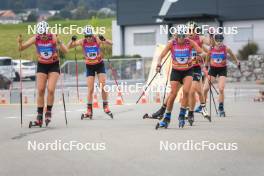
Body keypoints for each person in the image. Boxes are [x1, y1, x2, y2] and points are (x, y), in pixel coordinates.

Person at [17, 21, 68, 127]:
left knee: (51, 89)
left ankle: (48, 111)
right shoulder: (36, 38)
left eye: (44, 33)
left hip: (53, 65)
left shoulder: (53, 37)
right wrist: (20, 42)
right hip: (42, 65)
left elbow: (66, 51)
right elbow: (21, 48)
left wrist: (60, 41)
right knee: (40, 90)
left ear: (47, 31)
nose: (43, 36)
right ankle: (39, 116)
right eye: (41, 34)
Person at [156, 24, 206, 129]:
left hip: (188, 71)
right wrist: (158, 64)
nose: (182, 38)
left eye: (184, 36)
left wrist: (196, 56)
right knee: (173, 94)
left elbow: (203, 53)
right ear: (176, 35)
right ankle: (166, 118)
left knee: (186, 92)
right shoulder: (171, 44)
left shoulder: (190, 42)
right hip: (176, 71)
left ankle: (182, 114)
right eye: (180, 36)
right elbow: (161, 56)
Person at [67, 25, 113, 119]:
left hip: (99, 65)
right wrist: (72, 40)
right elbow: (68, 47)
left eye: (90, 36)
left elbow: (111, 43)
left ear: (93, 35)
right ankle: (89, 110)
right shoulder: (82, 41)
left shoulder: (97, 40)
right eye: (86, 36)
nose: (88, 38)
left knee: (102, 85)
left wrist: (104, 39)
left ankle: (106, 106)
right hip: (89, 67)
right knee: (90, 89)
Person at [203, 34, 240, 117]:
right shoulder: (211, 48)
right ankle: (203, 106)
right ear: (215, 40)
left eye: (221, 40)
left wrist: (237, 61)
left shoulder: (226, 48)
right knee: (205, 88)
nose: (219, 42)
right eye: (217, 41)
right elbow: (208, 56)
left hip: (222, 69)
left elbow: (232, 55)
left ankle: (221, 107)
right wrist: (206, 65)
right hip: (213, 69)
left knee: (221, 88)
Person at [185, 21, 211, 125]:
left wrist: (211, 35)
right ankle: (198, 108)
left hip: (196, 68)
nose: (190, 32)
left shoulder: (200, 38)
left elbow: (208, 50)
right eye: (189, 30)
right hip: (185, 69)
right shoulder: (184, 40)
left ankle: (191, 112)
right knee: (194, 91)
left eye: (192, 30)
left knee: (193, 91)